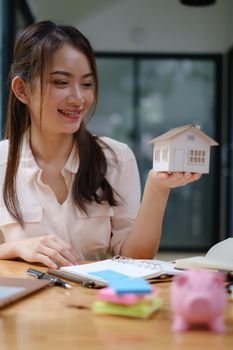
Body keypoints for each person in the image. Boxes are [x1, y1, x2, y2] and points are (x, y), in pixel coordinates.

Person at [0, 21, 201, 269]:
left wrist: (157, 188)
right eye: (61, 82)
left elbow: (135, 261)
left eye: (86, 84)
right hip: (26, 307)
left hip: (97, 304)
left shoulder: (116, 157)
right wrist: (17, 246)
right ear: (22, 90)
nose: (78, 98)